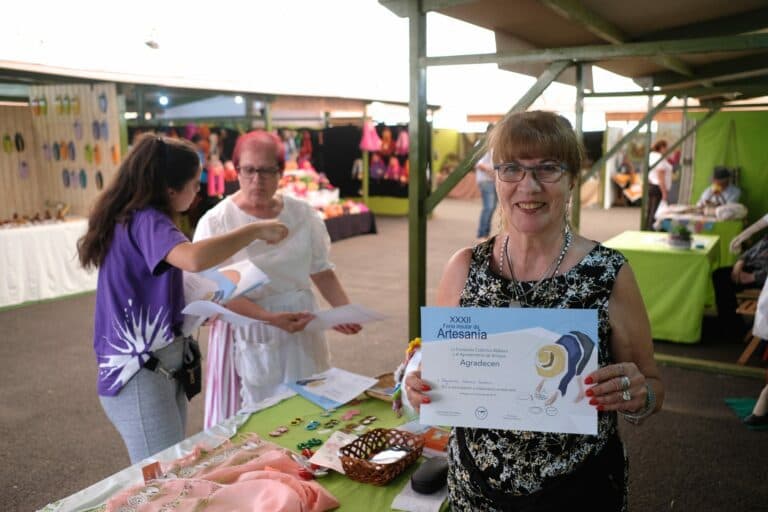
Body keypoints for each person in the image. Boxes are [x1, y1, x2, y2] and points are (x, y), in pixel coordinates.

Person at [402, 111, 664, 511]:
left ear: (573, 178)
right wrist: (418, 385)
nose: (529, 185)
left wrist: (638, 395)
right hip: (475, 488)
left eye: (548, 168)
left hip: (579, 491)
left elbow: (652, 387)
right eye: (512, 169)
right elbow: (437, 371)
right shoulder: (463, 267)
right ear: (497, 178)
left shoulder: (610, 274)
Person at [77, 134, 288, 463]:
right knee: (161, 477)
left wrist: (202, 304)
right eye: (194, 183)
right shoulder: (146, 219)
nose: (198, 191)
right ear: (170, 190)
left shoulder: (139, 218)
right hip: (141, 374)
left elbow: (162, 283)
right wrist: (254, 230)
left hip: (157, 367)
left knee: (168, 468)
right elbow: (192, 259)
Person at [193, 130, 361, 429]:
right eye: (249, 170)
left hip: (299, 325)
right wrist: (270, 318)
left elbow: (321, 270)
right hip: (247, 328)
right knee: (248, 424)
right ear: (237, 170)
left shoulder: (302, 214)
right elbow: (218, 290)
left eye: (267, 171)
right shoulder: (217, 222)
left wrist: (343, 311)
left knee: (308, 412)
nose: (257, 180)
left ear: (281, 172)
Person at [711, 212, 768, 338]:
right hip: (755, 267)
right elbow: (758, 247)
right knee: (720, 275)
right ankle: (732, 325)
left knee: (723, 280)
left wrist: (753, 277)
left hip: (763, 277)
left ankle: (733, 331)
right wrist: (740, 261)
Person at [475, 127, 496, 240]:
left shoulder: (495, 145)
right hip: (485, 180)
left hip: (493, 180)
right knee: (488, 207)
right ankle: (482, 234)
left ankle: (486, 234)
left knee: (492, 207)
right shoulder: (482, 144)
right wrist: (492, 171)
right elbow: (478, 163)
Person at [646, 139, 673, 230]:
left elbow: (649, 174)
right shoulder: (659, 158)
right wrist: (664, 192)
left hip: (653, 186)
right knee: (656, 212)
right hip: (658, 188)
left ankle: (648, 229)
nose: (667, 150)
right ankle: (651, 230)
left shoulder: (652, 156)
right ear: (662, 148)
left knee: (651, 211)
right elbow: (661, 176)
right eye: (666, 148)